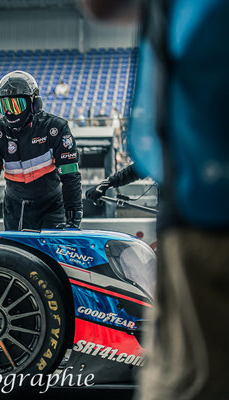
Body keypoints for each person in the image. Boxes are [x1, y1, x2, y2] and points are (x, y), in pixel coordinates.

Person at [82, 1, 229, 399]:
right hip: (199, 213)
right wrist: (113, 181)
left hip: (204, 218)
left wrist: (109, 182)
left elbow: (101, 8)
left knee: (188, 380)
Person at [0, 70, 82, 231]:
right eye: (4, 106)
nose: (9, 112)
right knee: (15, 255)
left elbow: (70, 175)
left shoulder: (55, 128)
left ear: (34, 103)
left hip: (51, 206)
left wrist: (73, 220)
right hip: (14, 207)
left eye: (15, 106)